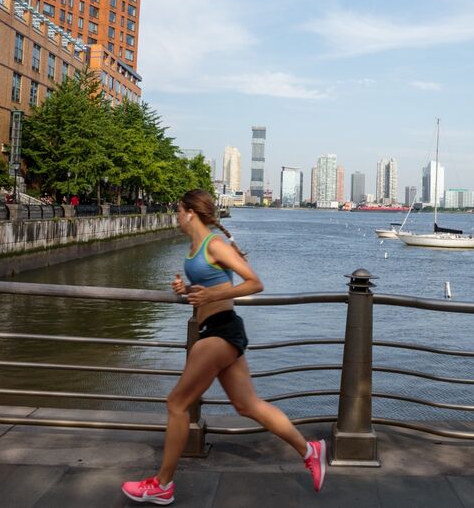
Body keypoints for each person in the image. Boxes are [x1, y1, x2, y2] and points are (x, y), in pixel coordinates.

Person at [121, 189, 326, 505]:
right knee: (247, 406)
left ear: (190, 212)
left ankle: (162, 484)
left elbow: (254, 283)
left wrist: (210, 296)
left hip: (221, 331)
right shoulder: (195, 247)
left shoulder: (214, 244)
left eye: (178, 210)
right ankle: (309, 450)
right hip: (217, 331)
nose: (176, 216)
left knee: (177, 403)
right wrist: (186, 290)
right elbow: (208, 288)